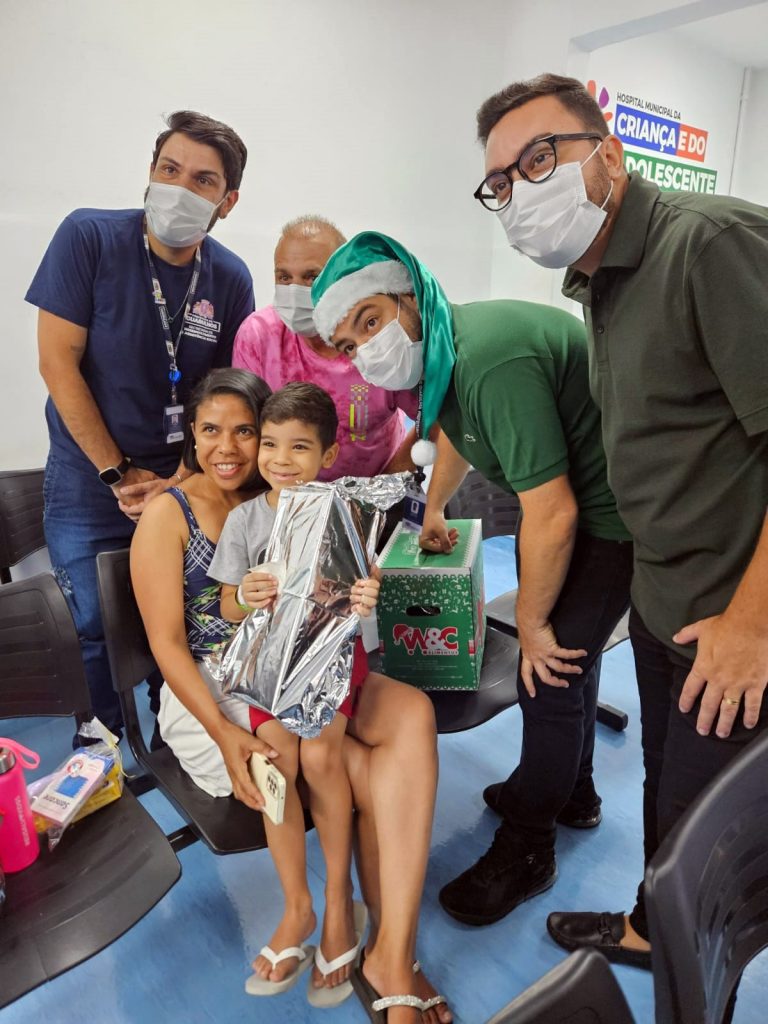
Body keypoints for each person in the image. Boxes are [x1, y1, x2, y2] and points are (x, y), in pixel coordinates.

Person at [473, 72, 768, 970]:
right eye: (499, 182)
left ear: (609, 152)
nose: (518, 192)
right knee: (664, 798)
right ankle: (649, 927)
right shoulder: (596, 282)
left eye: (537, 159)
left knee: (714, 852)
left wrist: (753, 625)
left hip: (734, 619)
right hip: (664, 595)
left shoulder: (707, 244)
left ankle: (687, 968)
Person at [311, 232, 632, 930]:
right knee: (569, 662)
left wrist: (534, 625)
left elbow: (553, 513)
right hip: (582, 510)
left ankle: (529, 848)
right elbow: (456, 434)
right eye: (348, 344)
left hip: (613, 519)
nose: (366, 349)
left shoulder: (489, 358)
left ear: (411, 297)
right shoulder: (450, 356)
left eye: (370, 320)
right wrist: (432, 505)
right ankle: (574, 793)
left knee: (547, 672)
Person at [132, 369, 451, 1023]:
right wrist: (227, 734)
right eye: (211, 430)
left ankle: (388, 946)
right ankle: (330, 915)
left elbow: (352, 572)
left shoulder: (289, 495)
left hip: (308, 662)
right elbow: (168, 646)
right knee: (334, 761)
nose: (229, 448)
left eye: (246, 432)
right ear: (191, 432)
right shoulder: (172, 513)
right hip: (214, 683)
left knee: (411, 715)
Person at [26, 110, 254, 733]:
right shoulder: (89, 237)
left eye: (203, 181)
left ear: (227, 201)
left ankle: (171, 732)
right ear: (150, 171)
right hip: (91, 477)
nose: (180, 189)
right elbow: (57, 364)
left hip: (183, 481)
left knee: (179, 613)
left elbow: (222, 395)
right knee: (94, 622)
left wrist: (184, 476)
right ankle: (100, 740)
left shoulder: (230, 278)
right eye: (169, 170)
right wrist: (118, 472)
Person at [208, 381, 379, 1005]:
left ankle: (339, 900)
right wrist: (244, 596)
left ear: (327, 455)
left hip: (330, 659)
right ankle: (297, 907)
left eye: (300, 447)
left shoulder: (345, 513)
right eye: (271, 444)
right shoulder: (245, 520)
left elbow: (363, 591)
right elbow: (226, 606)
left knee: (322, 756)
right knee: (275, 757)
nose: (281, 460)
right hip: (267, 667)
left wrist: (368, 595)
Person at [233, 215, 419, 479]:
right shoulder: (259, 335)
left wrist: (382, 489)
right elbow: (244, 428)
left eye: (312, 277)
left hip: (375, 486)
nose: (295, 290)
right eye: (284, 277)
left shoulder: (378, 338)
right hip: (284, 490)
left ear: (344, 276)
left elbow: (432, 421)